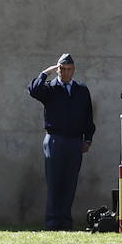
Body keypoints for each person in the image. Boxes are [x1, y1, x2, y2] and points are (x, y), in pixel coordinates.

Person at [26, 53, 94, 231]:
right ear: (57, 70)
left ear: (74, 70)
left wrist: (88, 139)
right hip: (55, 140)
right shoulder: (49, 89)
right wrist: (45, 72)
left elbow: (88, 116)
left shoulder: (81, 90)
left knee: (69, 182)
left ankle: (65, 222)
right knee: (54, 182)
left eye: (68, 69)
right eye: (62, 69)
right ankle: (52, 223)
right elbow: (33, 89)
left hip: (74, 141)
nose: (65, 73)